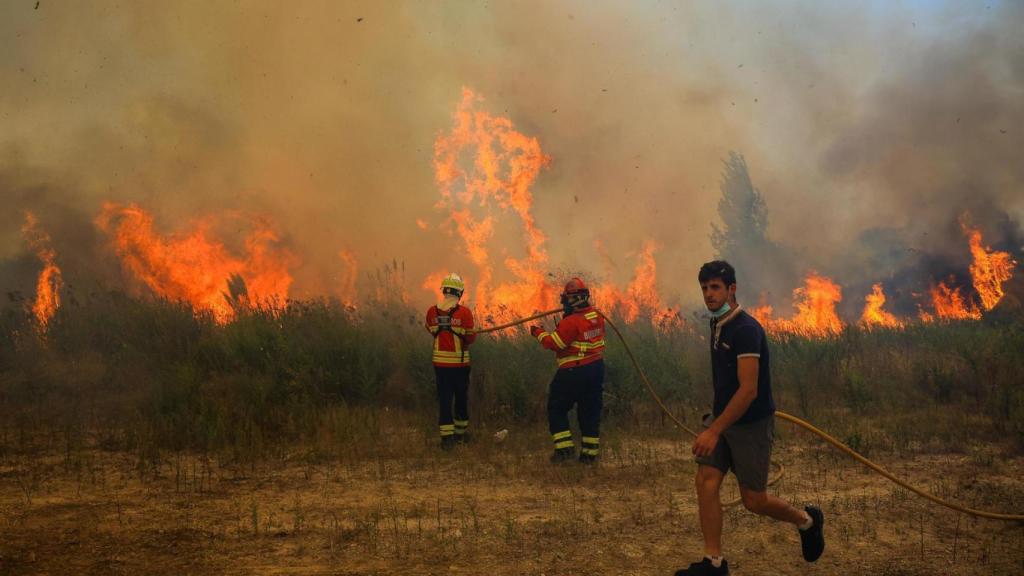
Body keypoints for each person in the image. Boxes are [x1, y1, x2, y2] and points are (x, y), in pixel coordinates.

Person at [675, 261, 825, 576]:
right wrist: (717, 424)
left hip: (749, 424)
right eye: (704, 288)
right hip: (723, 419)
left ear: (732, 289)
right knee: (706, 481)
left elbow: (748, 391)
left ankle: (807, 522)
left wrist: (714, 431)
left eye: (715, 287)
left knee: (754, 501)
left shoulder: (745, 330)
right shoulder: (717, 323)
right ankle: (714, 564)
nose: (708, 294)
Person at [530, 278, 605, 463]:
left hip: (573, 372)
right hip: (596, 369)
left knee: (557, 408)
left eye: (565, 300)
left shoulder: (572, 322)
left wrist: (538, 333)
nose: (563, 303)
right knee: (589, 412)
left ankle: (564, 452)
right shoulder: (597, 316)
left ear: (572, 300)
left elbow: (555, 343)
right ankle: (589, 456)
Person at [424, 273, 476, 449]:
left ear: (444, 291)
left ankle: (446, 440)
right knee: (461, 398)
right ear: (459, 292)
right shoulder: (465, 313)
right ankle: (460, 435)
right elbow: (471, 339)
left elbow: (431, 330)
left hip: (440, 366)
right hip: (460, 366)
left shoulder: (431, 312)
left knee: (444, 400)